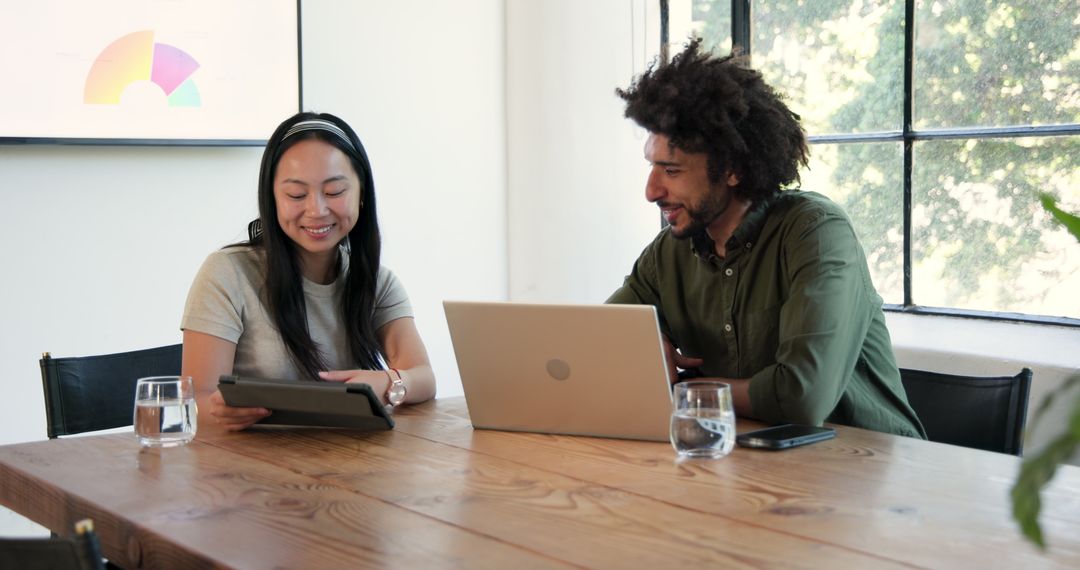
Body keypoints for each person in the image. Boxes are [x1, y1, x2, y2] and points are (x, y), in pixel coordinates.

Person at [608, 39, 925, 438]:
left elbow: (802, 397)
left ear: (732, 170)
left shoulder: (815, 233)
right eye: (653, 167)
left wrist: (686, 390)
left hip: (873, 470)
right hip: (748, 464)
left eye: (672, 171)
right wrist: (644, 345)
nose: (651, 191)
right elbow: (601, 345)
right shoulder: (668, 254)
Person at [181, 111, 436, 430]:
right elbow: (195, 399)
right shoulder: (227, 274)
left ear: (361, 196)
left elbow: (424, 377)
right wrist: (221, 410)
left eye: (334, 192)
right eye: (296, 195)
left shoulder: (377, 282)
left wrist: (388, 383)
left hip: (349, 465)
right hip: (251, 467)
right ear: (272, 198)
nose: (317, 210)